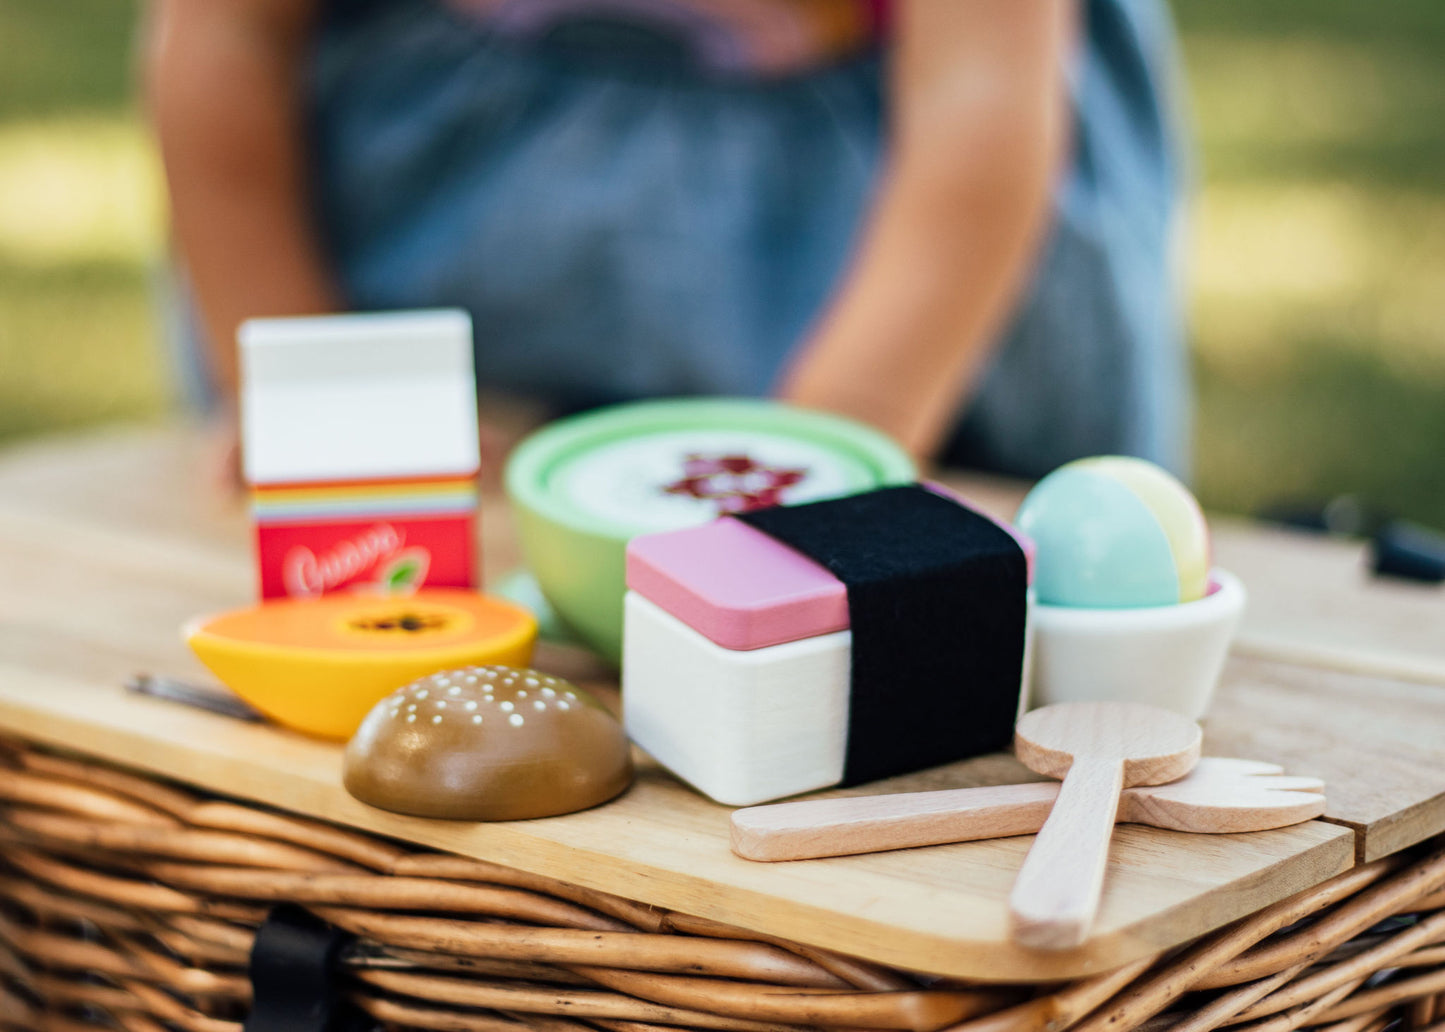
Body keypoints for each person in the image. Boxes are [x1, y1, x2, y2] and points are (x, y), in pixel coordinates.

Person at [145, 0, 1188, 477]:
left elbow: (980, 92)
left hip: (890, 278)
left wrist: (835, 459)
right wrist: (308, 388)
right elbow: (227, 34)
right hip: (452, 241)